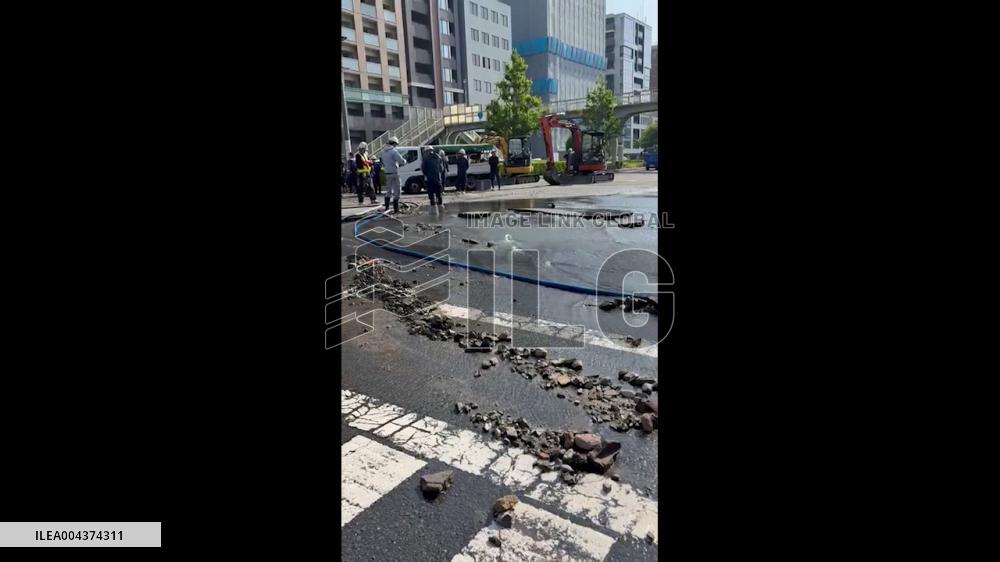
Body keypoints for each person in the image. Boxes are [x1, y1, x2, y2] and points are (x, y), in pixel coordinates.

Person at [381, 136, 406, 214]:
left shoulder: (383, 152)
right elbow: (401, 161)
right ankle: (396, 209)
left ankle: (387, 208)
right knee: (397, 191)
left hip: (387, 173)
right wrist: (404, 161)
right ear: (394, 143)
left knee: (388, 191)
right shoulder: (393, 151)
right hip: (394, 173)